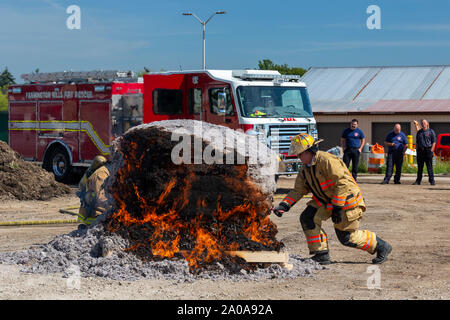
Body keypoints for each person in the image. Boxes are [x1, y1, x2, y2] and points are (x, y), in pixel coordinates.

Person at [272, 133, 392, 265]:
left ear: (310, 151)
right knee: (308, 217)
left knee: (347, 237)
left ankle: (380, 246)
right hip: (327, 201)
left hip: (347, 202)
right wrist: (284, 205)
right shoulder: (305, 169)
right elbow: (298, 190)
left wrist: (337, 207)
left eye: (300, 154)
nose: (299, 157)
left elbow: (342, 183)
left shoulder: (327, 161)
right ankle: (321, 254)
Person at [77, 155, 111, 229]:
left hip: (87, 205)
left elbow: (81, 186)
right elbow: (99, 194)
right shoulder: (101, 174)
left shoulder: (91, 171)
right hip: (93, 210)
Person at [413, 119, 436, 185]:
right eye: (422, 123)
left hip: (428, 150)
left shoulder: (431, 131)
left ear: (427, 124)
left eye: (424, 123)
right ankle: (418, 181)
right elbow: (417, 142)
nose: (423, 124)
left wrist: (431, 151)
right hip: (420, 151)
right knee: (420, 167)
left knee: (429, 167)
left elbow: (434, 142)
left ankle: (432, 181)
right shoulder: (419, 132)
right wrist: (417, 151)